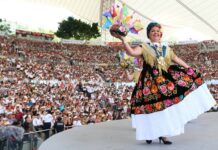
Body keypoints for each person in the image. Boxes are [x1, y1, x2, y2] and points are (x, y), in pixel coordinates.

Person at [111, 22, 216, 145]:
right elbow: (132, 53)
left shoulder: (167, 48)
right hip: (149, 82)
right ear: (148, 34)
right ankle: (150, 133)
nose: (155, 33)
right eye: (152, 31)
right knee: (150, 108)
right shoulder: (144, 46)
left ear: (161, 34)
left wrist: (189, 68)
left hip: (164, 81)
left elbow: (176, 59)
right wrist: (123, 39)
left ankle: (163, 135)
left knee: (165, 109)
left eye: (157, 31)